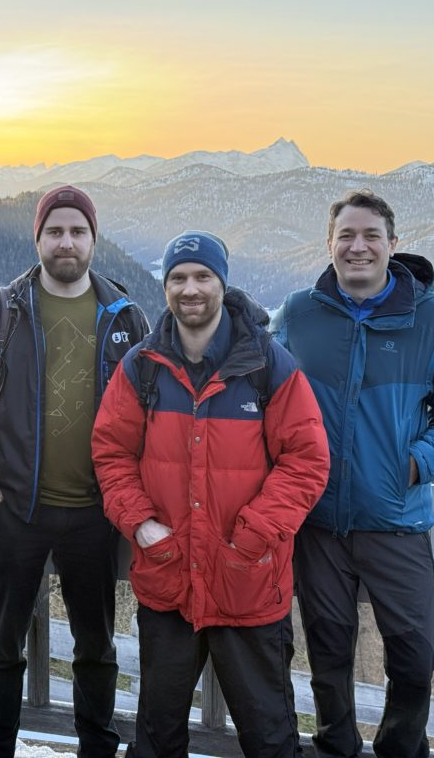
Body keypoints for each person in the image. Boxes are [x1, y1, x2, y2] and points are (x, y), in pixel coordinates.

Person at [92, 231, 330, 758]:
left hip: (247, 580)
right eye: (178, 277)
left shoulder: (268, 367)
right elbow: (111, 453)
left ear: (222, 283)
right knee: (156, 736)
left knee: (269, 737)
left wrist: (254, 536)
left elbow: (307, 460)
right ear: (166, 287)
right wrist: (140, 524)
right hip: (169, 575)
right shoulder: (143, 367)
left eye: (203, 276)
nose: (190, 288)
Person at [0, 185, 149, 757]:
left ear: (93, 238)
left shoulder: (124, 316)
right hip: (15, 510)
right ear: (37, 237)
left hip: (96, 512)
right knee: (1, 644)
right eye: (55, 231)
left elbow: (151, 410)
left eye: (77, 231)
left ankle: (97, 747)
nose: (66, 242)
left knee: (96, 646)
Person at [271, 190, 434, 758]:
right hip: (318, 520)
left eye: (370, 236)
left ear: (392, 244)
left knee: (414, 654)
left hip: (396, 518)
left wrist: (416, 463)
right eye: (346, 236)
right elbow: (264, 397)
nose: (358, 247)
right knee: (328, 649)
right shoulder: (300, 313)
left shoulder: (430, 320)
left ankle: (399, 748)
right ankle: (336, 744)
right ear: (329, 244)